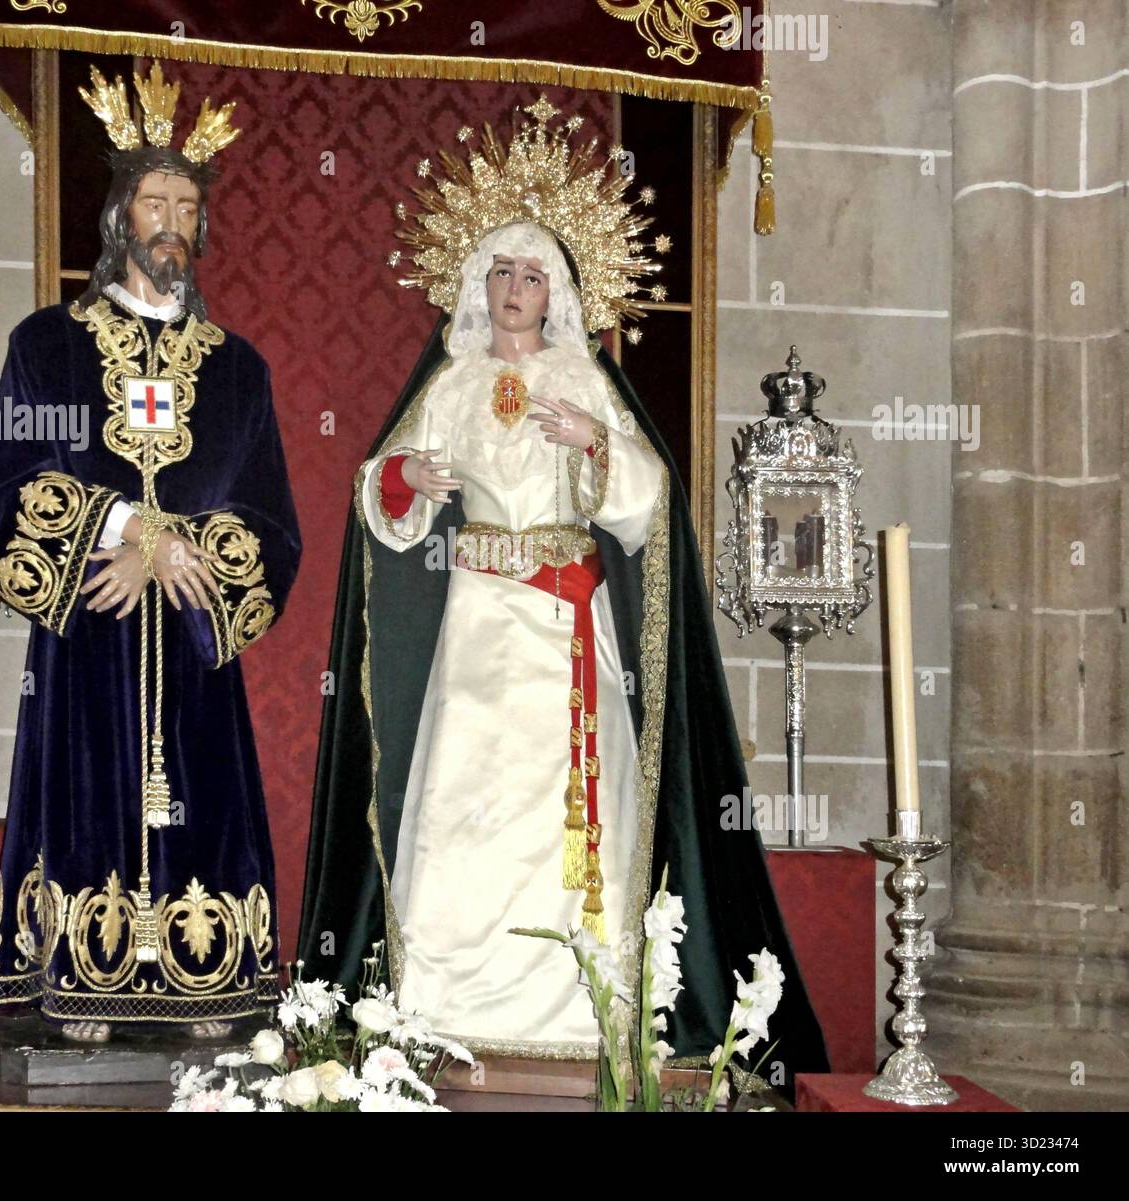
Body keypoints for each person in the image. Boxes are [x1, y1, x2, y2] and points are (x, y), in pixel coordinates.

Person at [300, 98, 829, 1080]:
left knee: (564, 809)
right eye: (498, 271)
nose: (512, 288)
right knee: (463, 801)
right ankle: (442, 1008)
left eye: (531, 273)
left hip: (564, 626)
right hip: (475, 626)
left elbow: (648, 497)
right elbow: (380, 491)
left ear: (556, 292)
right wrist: (409, 482)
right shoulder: (451, 384)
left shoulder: (584, 380)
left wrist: (592, 448)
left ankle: (585, 1010)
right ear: (476, 283)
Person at [0, 63, 301, 1043]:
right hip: (90, 635)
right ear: (118, 216)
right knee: (84, 795)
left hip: (193, 642)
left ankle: (205, 986)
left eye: (186, 205)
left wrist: (186, 552)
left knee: (202, 805)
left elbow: (273, 521)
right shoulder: (49, 348)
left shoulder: (239, 370)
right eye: (153, 200)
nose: (170, 221)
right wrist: (121, 528)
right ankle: (83, 986)